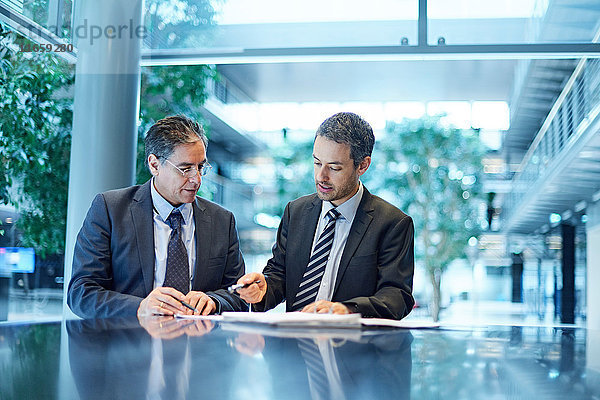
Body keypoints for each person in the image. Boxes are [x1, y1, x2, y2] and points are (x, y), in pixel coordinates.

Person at [237, 112, 414, 319]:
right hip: (295, 343)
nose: (322, 176)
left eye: (334, 167)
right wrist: (263, 289)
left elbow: (396, 296)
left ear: (363, 165)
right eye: (317, 163)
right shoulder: (296, 212)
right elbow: (280, 275)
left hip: (353, 346)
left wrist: (348, 310)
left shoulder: (392, 223)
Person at [68, 115, 247, 319]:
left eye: (200, 167)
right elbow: (81, 293)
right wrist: (139, 307)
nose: (196, 179)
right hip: (129, 345)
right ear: (154, 165)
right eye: (185, 168)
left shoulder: (222, 221)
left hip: (199, 346)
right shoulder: (110, 210)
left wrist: (215, 301)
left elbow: (239, 295)